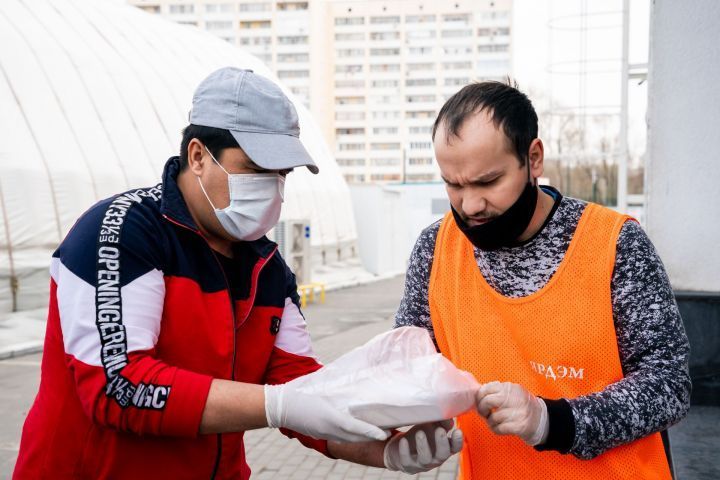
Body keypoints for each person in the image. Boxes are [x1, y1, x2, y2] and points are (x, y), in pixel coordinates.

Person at [13, 67, 462, 479]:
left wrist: (380, 449)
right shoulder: (121, 232)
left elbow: (300, 386)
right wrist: (276, 405)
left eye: (281, 173)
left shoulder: (267, 267)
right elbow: (119, 385)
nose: (271, 187)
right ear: (198, 155)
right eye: (253, 169)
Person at [395, 80, 691, 479]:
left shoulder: (616, 244)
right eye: (453, 184)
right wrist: (417, 424)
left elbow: (669, 385)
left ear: (533, 158)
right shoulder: (435, 249)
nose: (470, 204)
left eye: (487, 181)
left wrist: (551, 421)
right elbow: (410, 365)